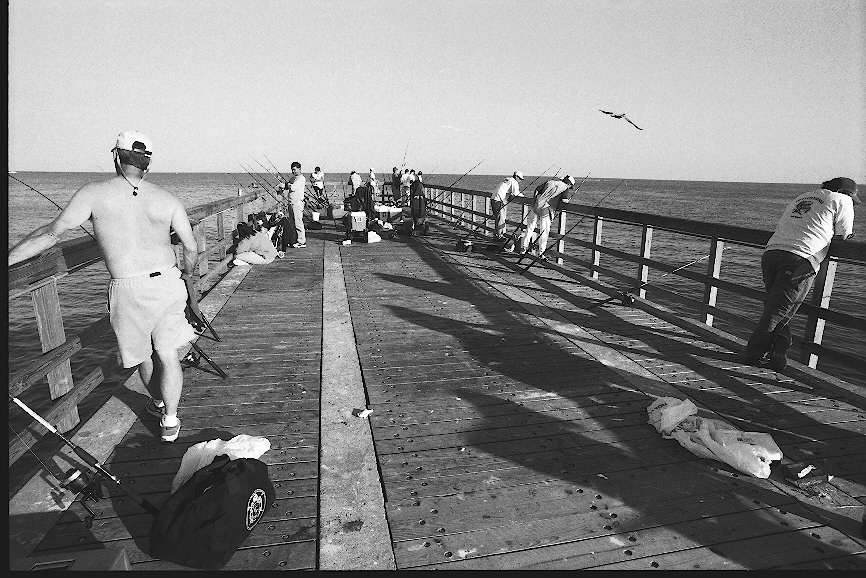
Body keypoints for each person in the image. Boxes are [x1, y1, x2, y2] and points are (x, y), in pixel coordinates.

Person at [8, 131, 198, 443]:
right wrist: (186, 277)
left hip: (129, 290)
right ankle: (171, 421)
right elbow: (189, 248)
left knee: (145, 356)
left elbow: (52, 234)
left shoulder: (94, 193)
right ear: (147, 164)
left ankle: (158, 402)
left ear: (116, 156)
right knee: (168, 354)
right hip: (169, 281)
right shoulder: (168, 199)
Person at [744, 177, 859, 371]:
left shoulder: (804, 196)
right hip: (800, 259)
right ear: (844, 192)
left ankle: (777, 355)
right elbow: (844, 234)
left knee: (776, 308)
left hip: (772, 253)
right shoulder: (842, 200)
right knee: (778, 311)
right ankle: (753, 355)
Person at [518, 175, 576, 257]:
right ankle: (541, 252)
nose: (569, 187)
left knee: (530, 227)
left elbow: (537, 190)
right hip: (547, 209)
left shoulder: (550, 182)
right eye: (570, 186)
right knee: (544, 231)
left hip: (536, 206)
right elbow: (564, 200)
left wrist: (534, 201)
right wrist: (568, 200)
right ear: (569, 184)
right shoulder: (565, 188)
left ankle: (523, 247)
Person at [279, 161, 306, 248]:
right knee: (292, 223)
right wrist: (281, 186)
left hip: (297, 203)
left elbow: (293, 187)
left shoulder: (301, 178)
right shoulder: (293, 179)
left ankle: (302, 241)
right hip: (291, 202)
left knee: (298, 222)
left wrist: (287, 185)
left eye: (294, 169)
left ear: (299, 169)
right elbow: (287, 186)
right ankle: (294, 239)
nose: (293, 171)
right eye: (292, 170)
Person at [492, 171, 525, 239]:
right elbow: (516, 193)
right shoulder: (514, 182)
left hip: (494, 199)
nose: (520, 180)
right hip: (498, 200)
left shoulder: (507, 179)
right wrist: (524, 197)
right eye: (520, 178)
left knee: (498, 218)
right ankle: (499, 236)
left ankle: (496, 235)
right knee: (501, 219)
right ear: (516, 176)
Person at [409, 169, 427, 235]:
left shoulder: (414, 185)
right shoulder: (420, 185)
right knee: (421, 212)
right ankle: (421, 228)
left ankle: (415, 228)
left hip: (415, 201)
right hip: (421, 202)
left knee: (415, 213)